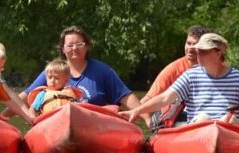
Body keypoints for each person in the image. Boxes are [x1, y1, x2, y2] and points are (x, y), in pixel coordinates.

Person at [121, 33, 239, 129]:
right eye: (197, 51)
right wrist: (137, 111)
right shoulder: (191, 75)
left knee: (226, 121)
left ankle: (227, 125)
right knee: (202, 117)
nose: (198, 54)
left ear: (218, 53)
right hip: (198, 127)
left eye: (203, 51)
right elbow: (165, 98)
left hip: (228, 130)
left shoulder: (237, 77)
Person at [18, 26, 146, 121]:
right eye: (70, 45)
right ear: (63, 49)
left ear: (87, 46)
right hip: (56, 124)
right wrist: (2, 118)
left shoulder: (102, 71)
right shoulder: (52, 72)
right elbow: (21, 99)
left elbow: (127, 98)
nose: (74, 48)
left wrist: (147, 119)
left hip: (97, 124)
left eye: (79, 44)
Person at [140, 25, 212, 127]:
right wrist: (147, 120)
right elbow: (146, 100)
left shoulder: (214, 69)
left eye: (195, 45)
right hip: (176, 118)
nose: (190, 48)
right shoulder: (173, 69)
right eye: (188, 43)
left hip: (205, 117)